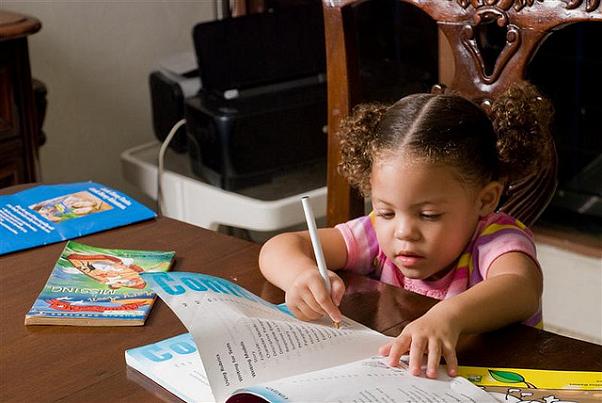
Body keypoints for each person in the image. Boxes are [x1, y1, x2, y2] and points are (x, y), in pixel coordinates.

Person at [259, 81, 554, 379]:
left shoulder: (495, 238)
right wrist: (301, 276)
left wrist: (448, 316)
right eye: (386, 211)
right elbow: (278, 248)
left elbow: (521, 287)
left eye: (428, 215)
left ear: (485, 199)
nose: (403, 232)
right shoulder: (376, 232)